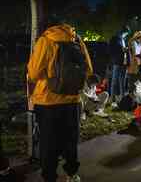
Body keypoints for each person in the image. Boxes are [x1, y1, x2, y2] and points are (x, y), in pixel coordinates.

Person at [27, 23, 93, 182]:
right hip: (72, 100)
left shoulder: (45, 40)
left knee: (49, 143)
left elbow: (34, 74)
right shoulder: (77, 39)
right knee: (70, 140)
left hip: (47, 101)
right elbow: (89, 69)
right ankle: (72, 174)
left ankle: (49, 177)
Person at [109, 26, 131, 107]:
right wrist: (123, 49)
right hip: (117, 62)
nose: (126, 35)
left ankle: (122, 98)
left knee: (122, 81)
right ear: (123, 32)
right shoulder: (115, 38)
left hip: (123, 63)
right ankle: (112, 98)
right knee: (114, 81)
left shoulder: (123, 40)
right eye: (126, 33)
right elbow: (114, 49)